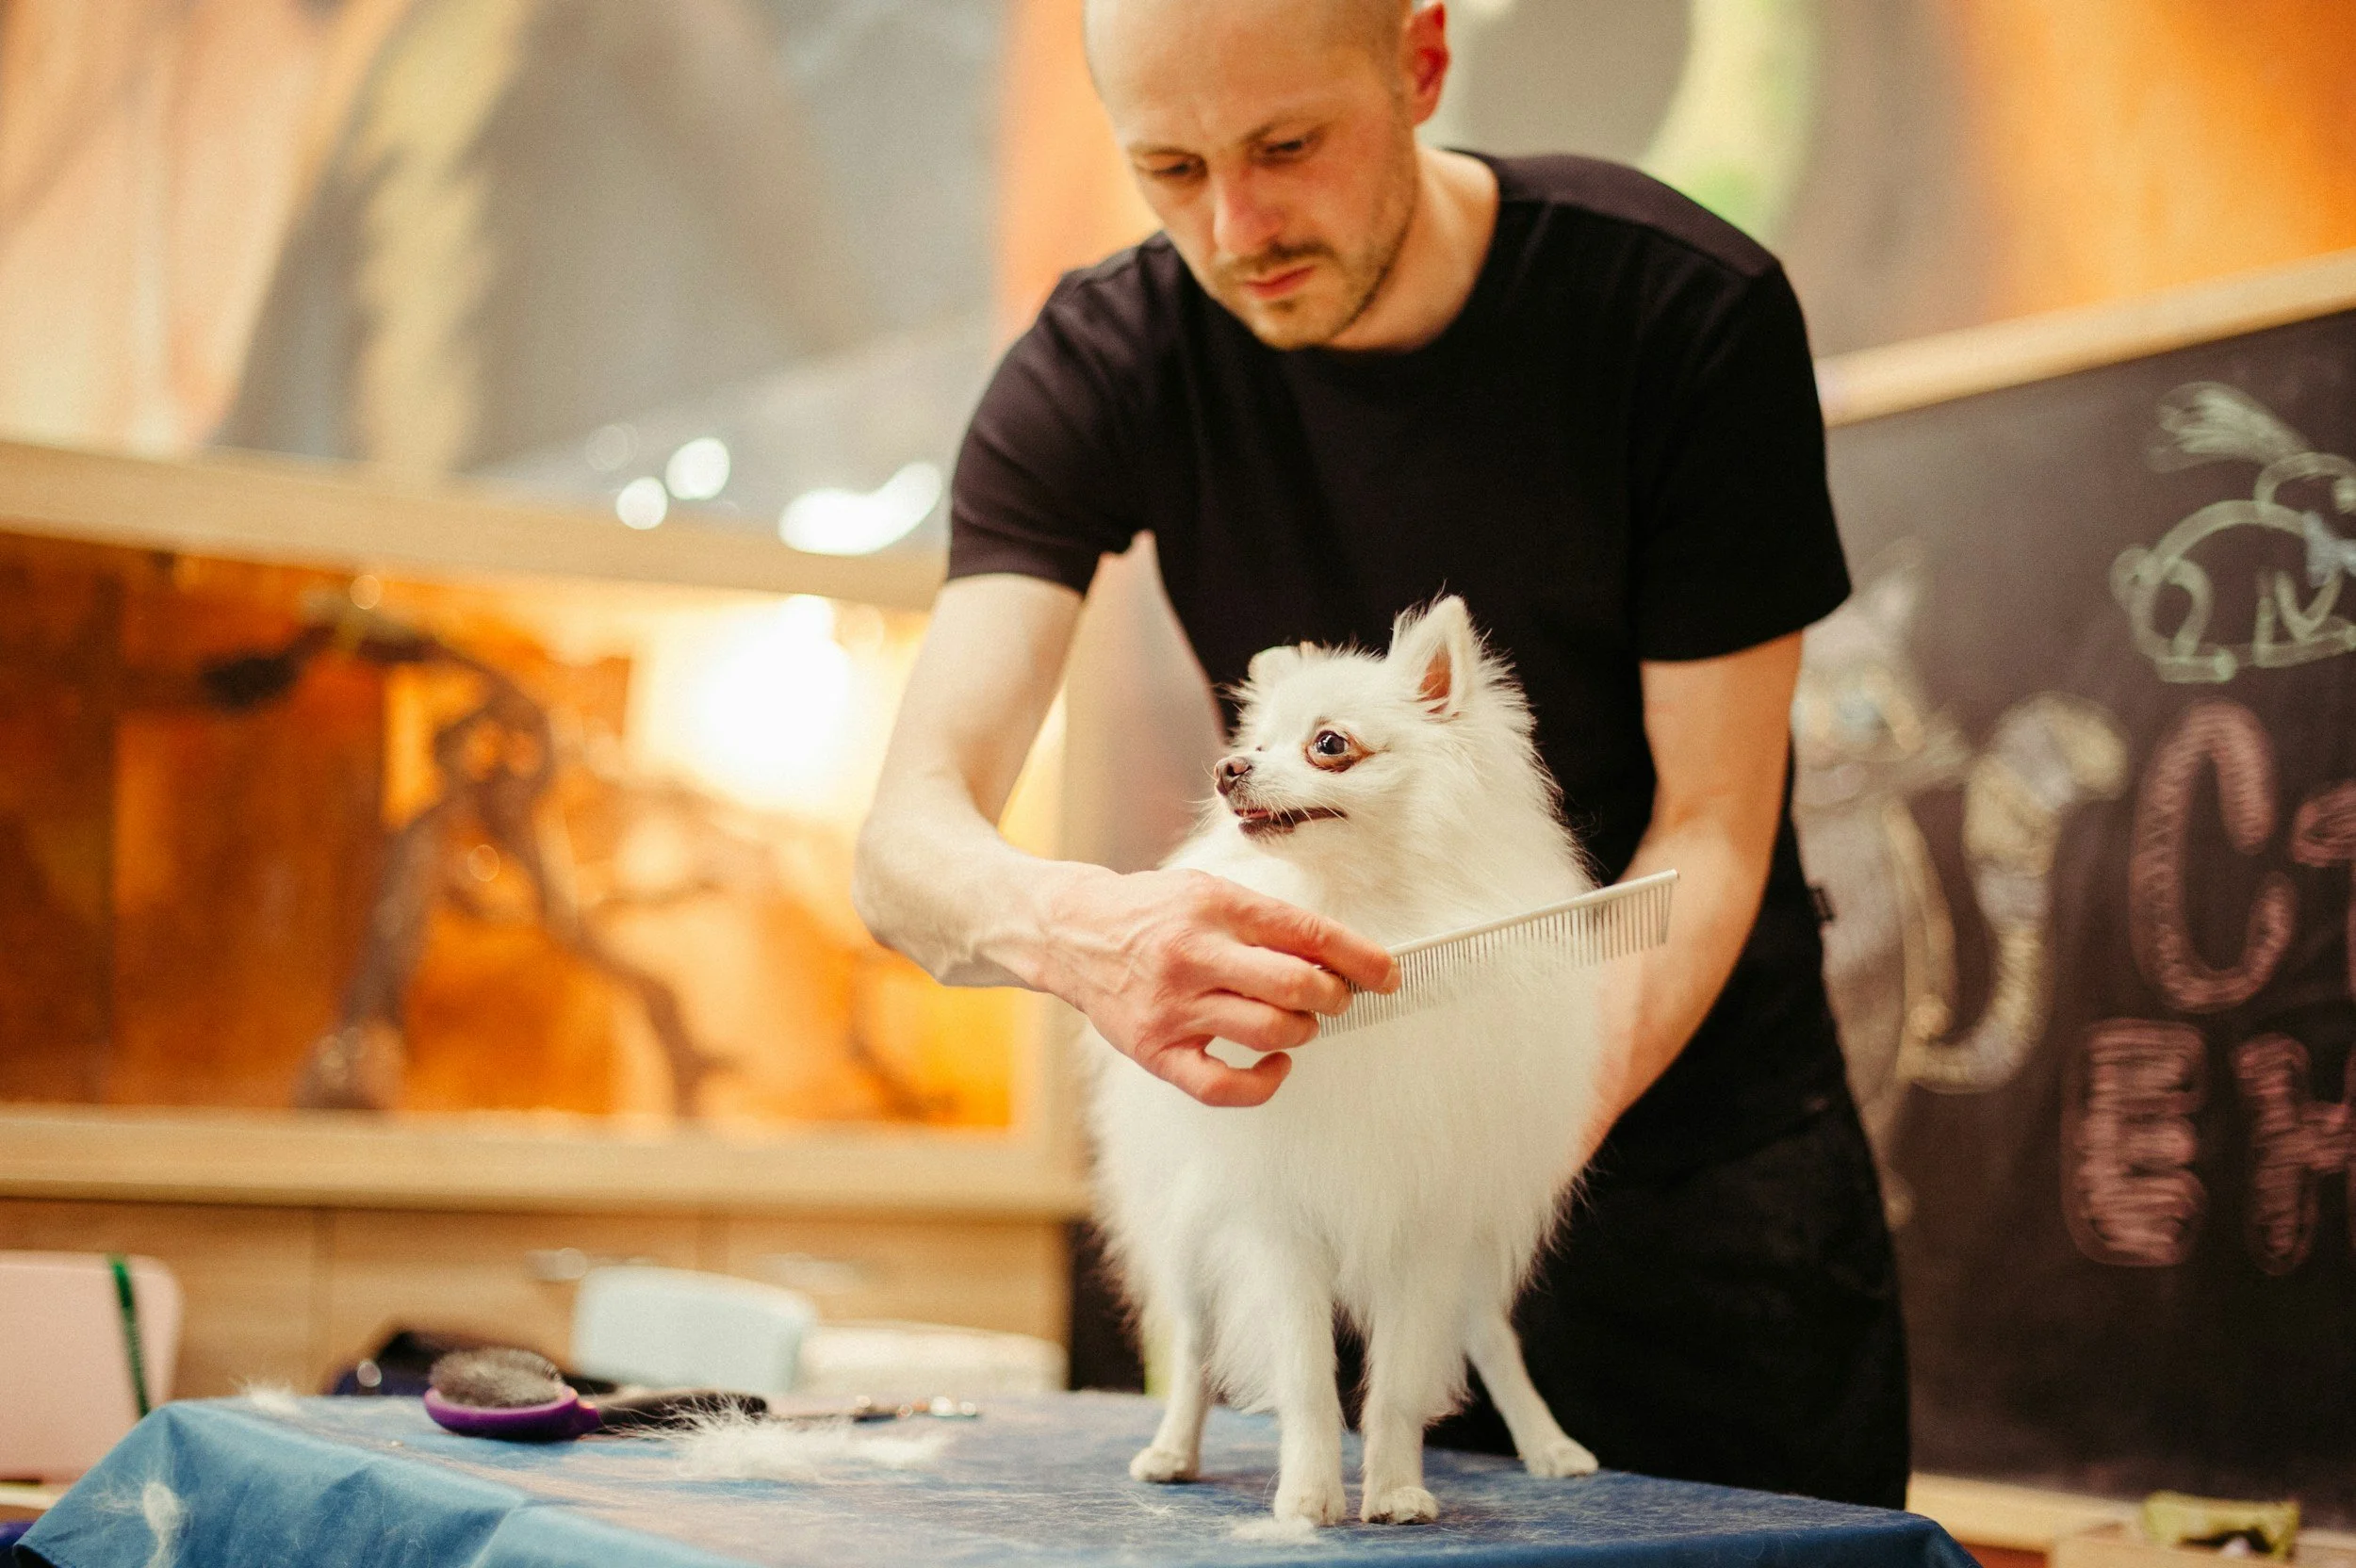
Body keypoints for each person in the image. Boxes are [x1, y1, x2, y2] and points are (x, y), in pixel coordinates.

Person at [853, 0, 1907, 1508]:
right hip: (1325, 1158)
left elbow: (1716, 826)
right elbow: (907, 841)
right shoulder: (1106, 359)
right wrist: (1086, 935)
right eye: (1169, 167)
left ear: (1421, 63)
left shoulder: (1683, 312)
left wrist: (1500, 1127)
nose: (1236, 227)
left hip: (1694, 1175)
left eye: (1288, 147)